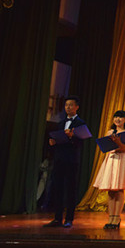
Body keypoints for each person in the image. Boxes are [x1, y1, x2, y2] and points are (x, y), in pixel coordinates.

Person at [44, 96, 86, 228]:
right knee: (58, 188)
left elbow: (81, 142)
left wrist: (72, 136)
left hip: (71, 160)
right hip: (59, 159)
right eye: (66, 105)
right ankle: (57, 218)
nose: (68, 107)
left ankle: (69, 219)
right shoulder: (61, 123)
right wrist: (53, 142)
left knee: (70, 189)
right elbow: (58, 138)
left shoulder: (80, 123)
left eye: (71, 105)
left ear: (76, 107)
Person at [92, 110, 125, 229]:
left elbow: (124, 149)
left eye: (121, 117)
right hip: (111, 159)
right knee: (111, 190)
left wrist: (117, 142)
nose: (118, 119)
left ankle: (117, 217)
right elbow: (106, 147)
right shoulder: (110, 132)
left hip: (121, 160)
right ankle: (111, 217)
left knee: (119, 190)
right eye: (116, 117)